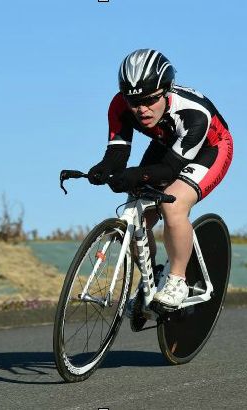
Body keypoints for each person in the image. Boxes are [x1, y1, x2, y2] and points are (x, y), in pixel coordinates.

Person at [88, 49, 233, 310]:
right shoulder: (120, 105)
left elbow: (169, 169)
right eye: (134, 102)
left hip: (210, 148)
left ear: (166, 91)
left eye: (150, 100)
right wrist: (104, 168)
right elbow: (118, 152)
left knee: (172, 204)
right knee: (136, 213)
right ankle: (150, 279)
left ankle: (177, 279)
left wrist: (134, 175)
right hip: (167, 142)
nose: (141, 109)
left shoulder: (193, 114)